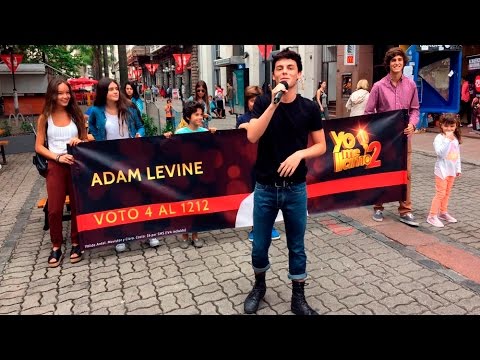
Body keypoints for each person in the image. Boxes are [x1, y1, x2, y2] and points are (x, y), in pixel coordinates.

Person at [243, 48, 326, 315]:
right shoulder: (263, 102)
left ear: (299, 74)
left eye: (290, 68)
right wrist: (274, 102)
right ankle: (259, 286)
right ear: (274, 74)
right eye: (280, 68)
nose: (285, 72)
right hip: (265, 188)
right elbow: (253, 136)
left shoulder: (309, 108)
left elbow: (321, 146)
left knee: (297, 245)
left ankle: (298, 297)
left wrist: (300, 153)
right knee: (259, 245)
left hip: (295, 189)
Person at [88, 77, 159, 252]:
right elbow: (94, 134)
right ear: (103, 93)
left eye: (116, 88)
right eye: (110, 89)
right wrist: (88, 138)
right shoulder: (96, 111)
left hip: (132, 157)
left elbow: (141, 126)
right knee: (117, 198)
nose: (114, 92)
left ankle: (149, 233)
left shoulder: (129, 108)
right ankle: (120, 235)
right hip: (110, 161)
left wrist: (139, 135)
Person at [34, 76, 89, 267]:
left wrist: (80, 141)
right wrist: (57, 157)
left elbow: (84, 139)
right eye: (60, 93)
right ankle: (56, 245)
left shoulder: (76, 115)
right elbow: (39, 146)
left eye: (67, 92)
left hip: (75, 165)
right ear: (52, 95)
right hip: (55, 165)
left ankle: (76, 242)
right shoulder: (44, 118)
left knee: (76, 205)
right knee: (55, 209)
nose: (65, 96)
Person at [364, 46, 420, 226]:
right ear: (388, 64)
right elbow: (368, 111)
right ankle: (378, 207)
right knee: (382, 172)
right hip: (384, 140)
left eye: (399, 60)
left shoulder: (411, 85)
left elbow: (415, 109)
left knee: (406, 174)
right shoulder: (378, 86)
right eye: (393, 60)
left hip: (404, 139)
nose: (396, 63)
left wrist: (412, 124)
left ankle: (405, 210)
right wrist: (377, 130)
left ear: (404, 63)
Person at [236, 85, 281, 242]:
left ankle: (271, 225)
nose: (254, 104)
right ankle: (255, 227)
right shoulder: (242, 118)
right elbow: (240, 129)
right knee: (255, 197)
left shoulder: (269, 115)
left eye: (257, 100)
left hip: (269, 163)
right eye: (251, 100)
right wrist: (249, 126)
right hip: (250, 164)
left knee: (271, 196)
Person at [173, 100, 217, 249]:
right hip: (184, 177)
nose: (200, 117)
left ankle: (196, 235)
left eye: (201, 114)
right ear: (188, 117)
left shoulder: (205, 133)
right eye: (196, 115)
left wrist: (213, 135)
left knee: (197, 206)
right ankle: (185, 236)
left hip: (199, 177)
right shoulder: (179, 134)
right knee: (185, 206)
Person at [426, 113, 462, 227]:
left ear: (456, 126)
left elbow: (457, 154)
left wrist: (458, 168)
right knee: (440, 193)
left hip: (451, 171)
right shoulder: (439, 138)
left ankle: (443, 212)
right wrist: (447, 140)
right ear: (441, 125)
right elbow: (440, 154)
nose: (449, 129)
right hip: (441, 170)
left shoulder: (455, 138)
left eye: (452, 126)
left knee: (447, 193)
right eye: (446, 126)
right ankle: (432, 216)